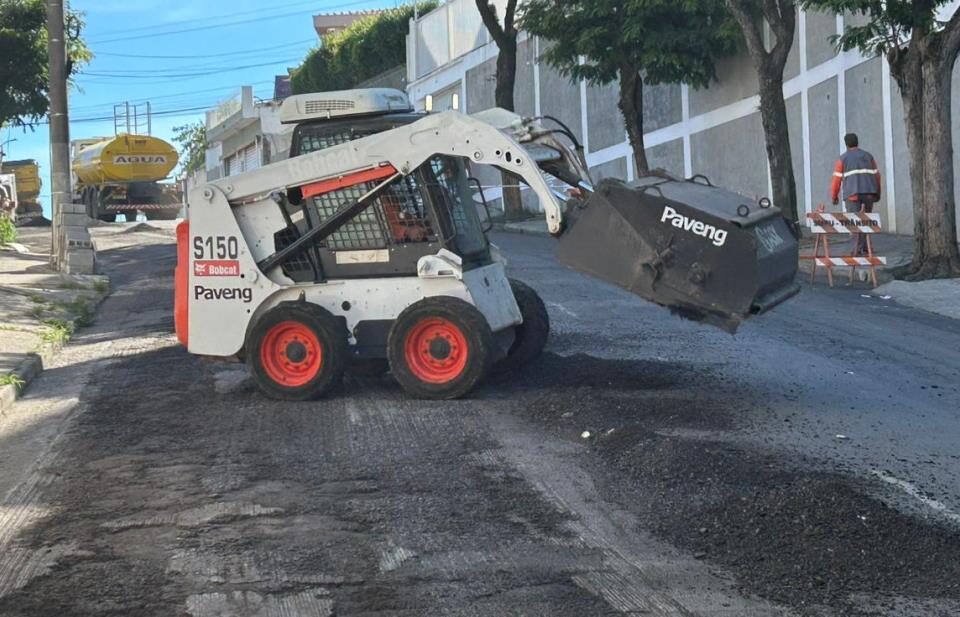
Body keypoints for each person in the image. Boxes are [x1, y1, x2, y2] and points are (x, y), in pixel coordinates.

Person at [831, 133, 881, 256]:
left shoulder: (843, 159)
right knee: (866, 221)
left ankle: (856, 249)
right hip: (869, 193)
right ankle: (865, 248)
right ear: (857, 142)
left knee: (854, 223)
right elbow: (877, 176)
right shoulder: (868, 157)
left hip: (852, 195)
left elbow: (836, 181)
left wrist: (834, 196)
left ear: (846, 144)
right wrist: (877, 193)